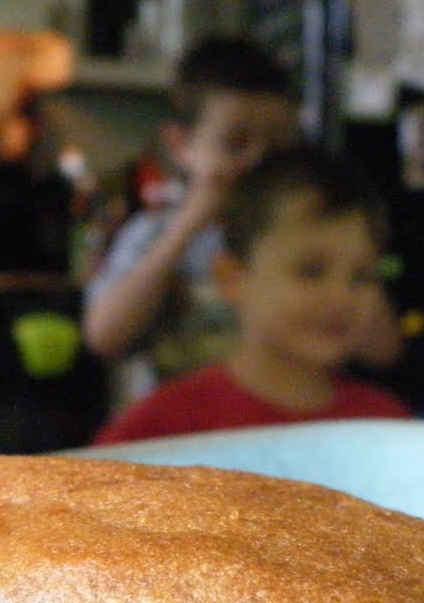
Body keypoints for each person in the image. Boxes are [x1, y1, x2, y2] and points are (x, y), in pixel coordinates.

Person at [84, 34, 402, 388]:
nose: (258, 161)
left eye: (278, 146)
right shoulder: (155, 233)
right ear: (181, 145)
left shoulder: (313, 237)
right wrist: (187, 226)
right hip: (184, 431)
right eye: (235, 144)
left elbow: (382, 350)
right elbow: (105, 336)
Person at [91, 144, 412, 445]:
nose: (342, 297)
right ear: (233, 278)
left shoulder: (386, 427)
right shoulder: (165, 427)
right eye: (311, 271)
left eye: (363, 276)